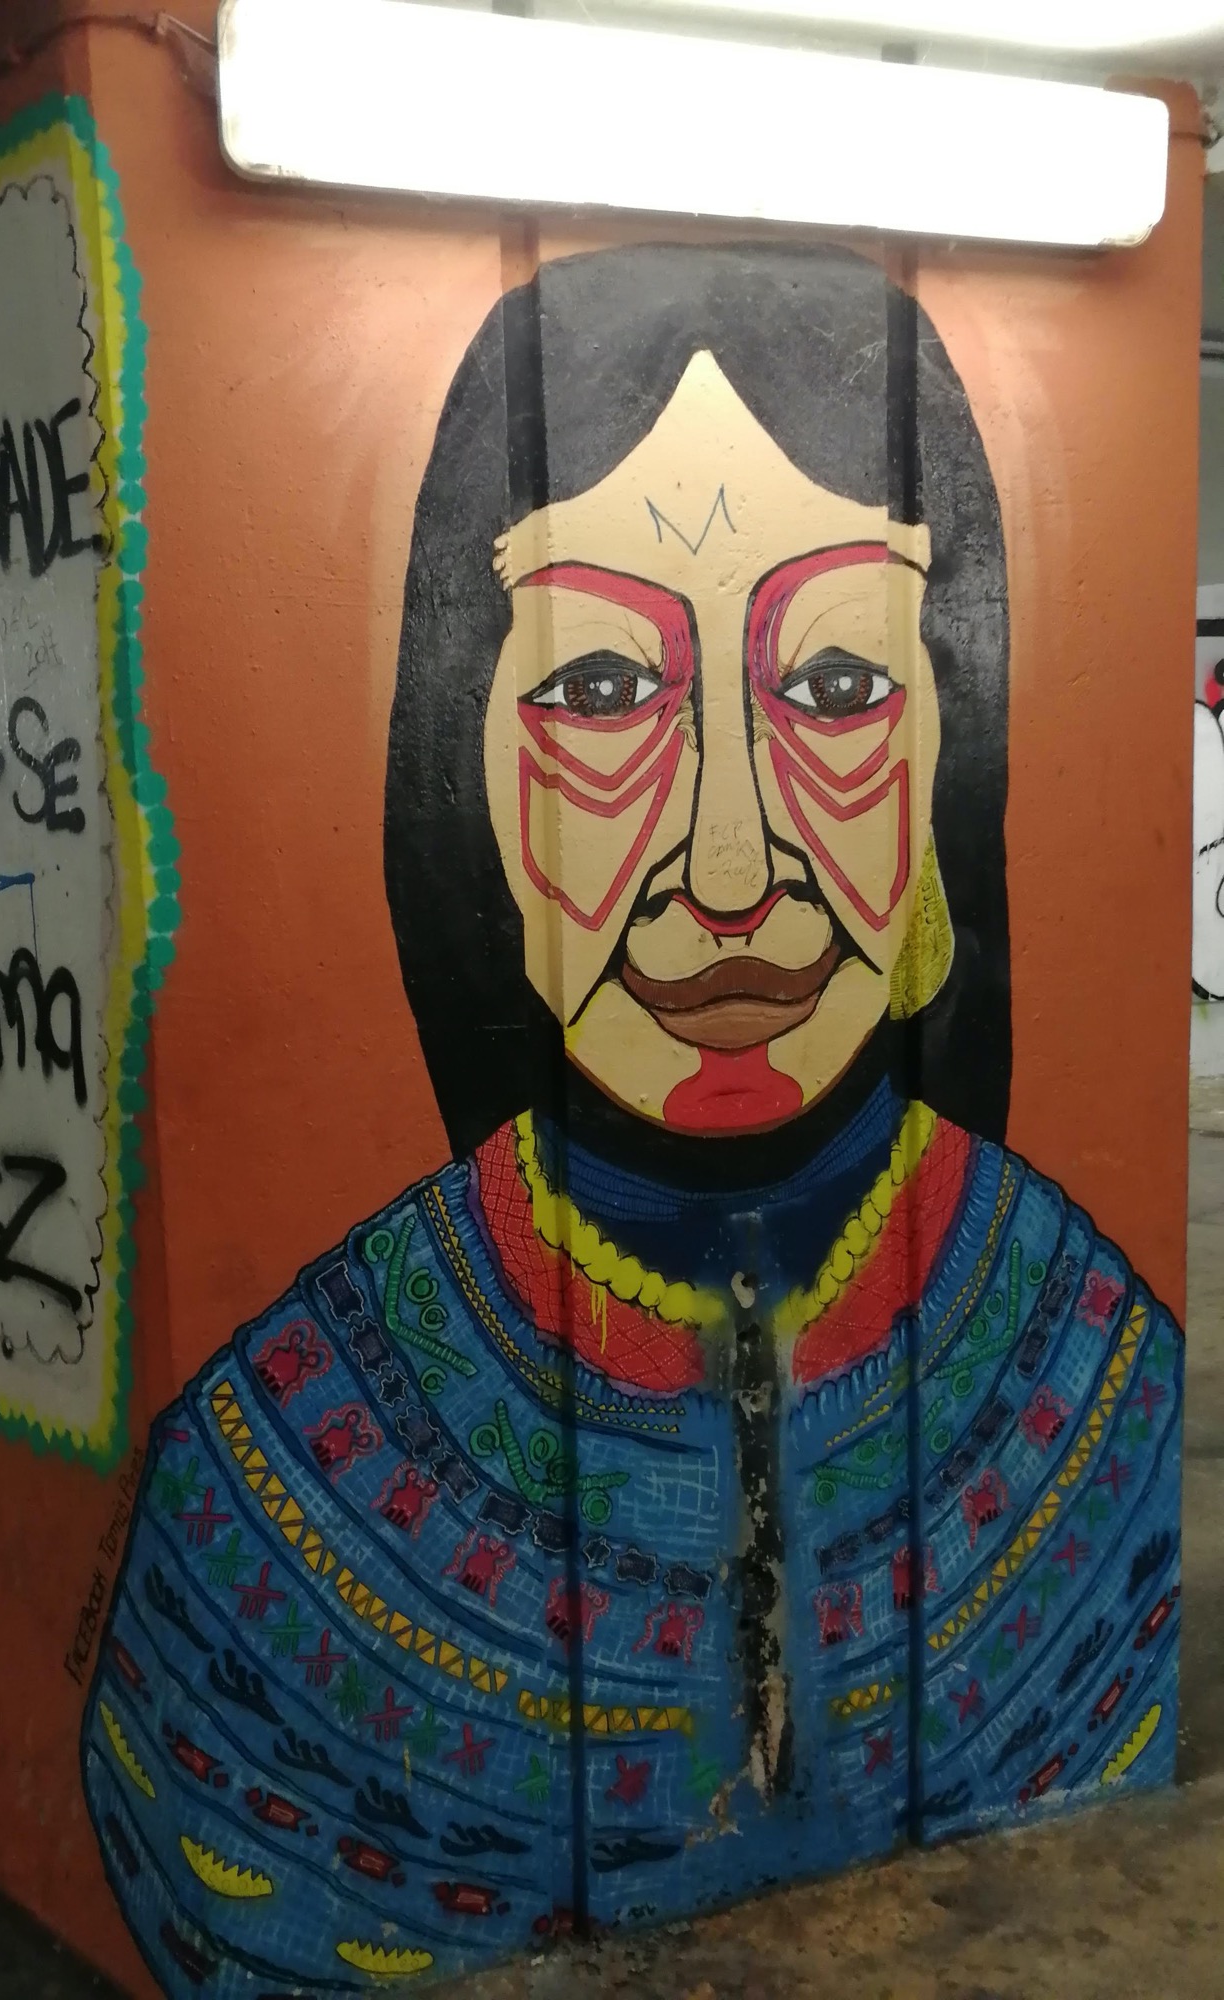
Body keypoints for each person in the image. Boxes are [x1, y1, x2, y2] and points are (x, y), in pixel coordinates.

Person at [82, 245, 1183, 1998]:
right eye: (601, 693)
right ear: (463, 774)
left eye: (837, 689)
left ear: (944, 758)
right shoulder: (258, 1509)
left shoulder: (1100, 1382)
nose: (730, 866)